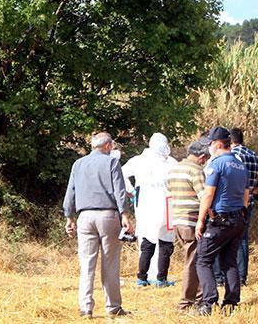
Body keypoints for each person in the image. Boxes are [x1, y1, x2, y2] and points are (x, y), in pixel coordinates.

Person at [63, 132, 134, 318]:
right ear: (109, 146)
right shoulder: (111, 162)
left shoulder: (78, 164)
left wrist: (69, 217)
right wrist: (125, 215)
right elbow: (120, 191)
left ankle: (85, 307)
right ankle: (113, 307)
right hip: (108, 216)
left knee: (86, 264)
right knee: (110, 264)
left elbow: (70, 191)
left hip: (85, 217)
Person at [194, 127, 249, 316]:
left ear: (217, 144)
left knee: (203, 259)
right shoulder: (240, 165)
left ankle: (208, 303)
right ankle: (231, 303)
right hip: (238, 219)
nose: (208, 147)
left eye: (210, 144)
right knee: (230, 261)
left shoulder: (216, 164)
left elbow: (208, 193)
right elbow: (246, 195)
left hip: (221, 220)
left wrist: (201, 220)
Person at [214, 127, 258, 286]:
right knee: (243, 239)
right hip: (249, 202)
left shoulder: (234, 157)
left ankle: (225, 277)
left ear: (230, 141)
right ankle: (242, 276)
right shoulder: (252, 154)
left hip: (233, 202)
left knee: (227, 240)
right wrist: (256, 187)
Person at [122, 133, 178, 287]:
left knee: (148, 239)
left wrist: (132, 191)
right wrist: (132, 191)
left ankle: (143, 277)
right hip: (165, 204)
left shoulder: (140, 160)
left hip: (149, 204)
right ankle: (159, 278)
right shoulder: (169, 162)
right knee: (164, 240)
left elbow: (120, 173)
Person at [166, 137, 210, 311]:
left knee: (194, 259)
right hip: (191, 220)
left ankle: (198, 297)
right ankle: (186, 302)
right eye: (205, 158)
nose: (205, 161)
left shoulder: (173, 169)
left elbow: (170, 193)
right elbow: (203, 196)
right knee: (193, 261)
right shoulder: (196, 170)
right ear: (200, 156)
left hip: (178, 220)